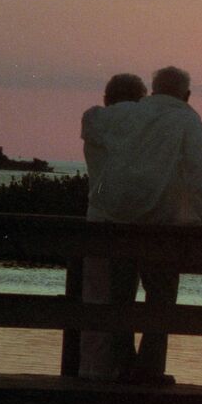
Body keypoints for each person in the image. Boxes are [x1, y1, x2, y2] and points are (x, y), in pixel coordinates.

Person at [80, 66, 202, 384]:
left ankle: (122, 365)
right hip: (162, 225)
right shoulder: (187, 119)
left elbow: (94, 121)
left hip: (119, 222)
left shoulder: (132, 113)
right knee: (161, 297)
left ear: (152, 90)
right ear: (187, 95)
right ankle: (149, 370)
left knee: (120, 297)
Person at [78, 73, 147, 381]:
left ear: (107, 98)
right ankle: (120, 368)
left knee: (95, 296)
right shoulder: (145, 125)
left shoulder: (93, 120)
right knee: (124, 298)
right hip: (133, 223)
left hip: (98, 220)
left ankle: (92, 371)